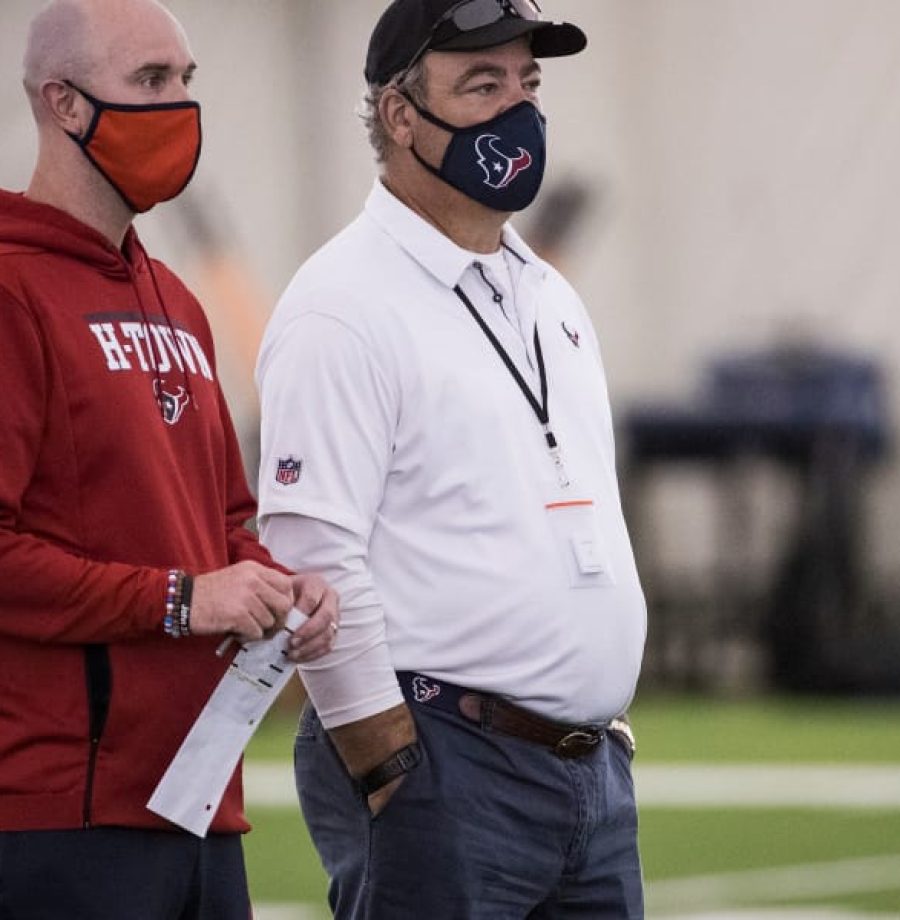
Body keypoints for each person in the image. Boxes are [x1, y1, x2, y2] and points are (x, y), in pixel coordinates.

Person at [257, 1, 646, 917]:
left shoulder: (547, 294)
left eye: (527, 83)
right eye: (482, 85)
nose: (518, 110)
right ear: (399, 115)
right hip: (446, 761)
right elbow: (313, 554)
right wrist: (393, 768)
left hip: (586, 771)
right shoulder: (342, 305)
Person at [0, 1, 339, 917]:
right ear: (64, 105)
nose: (180, 108)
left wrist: (278, 584)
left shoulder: (179, 304)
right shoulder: (11, 289)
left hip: (200, 803)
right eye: (151, 82)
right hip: (62, 816)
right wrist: (185, 601)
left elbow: (225, 520)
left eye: (187, 81)